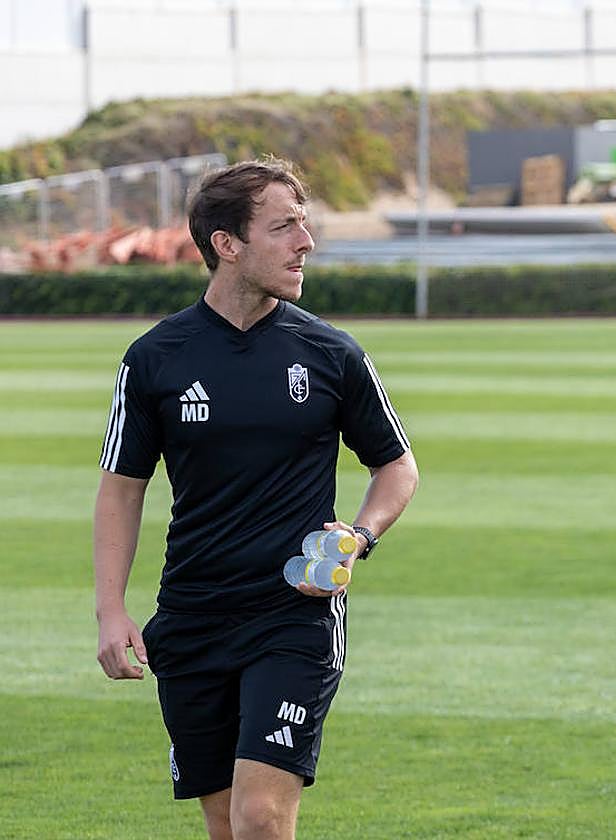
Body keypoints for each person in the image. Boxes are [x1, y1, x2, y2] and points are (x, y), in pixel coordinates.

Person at [93, 157, 419, 840]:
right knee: (225, 825)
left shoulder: (332, 353)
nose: (306, 243)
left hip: (292, 618)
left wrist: (360, 535)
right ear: (227, 244)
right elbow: (122, 487)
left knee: (262, 819)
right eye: (284, 227)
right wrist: (113, 611)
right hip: (191, 620)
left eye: (304, 225)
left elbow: (396, 467)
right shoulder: (155, 358)